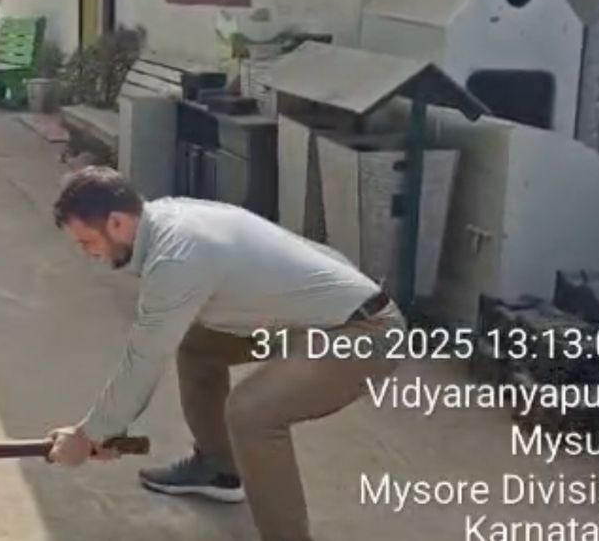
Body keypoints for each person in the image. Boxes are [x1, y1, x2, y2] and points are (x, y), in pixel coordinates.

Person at [43, 167, 404, 541]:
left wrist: (90, 434)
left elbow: (145, 357)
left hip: (363, 334)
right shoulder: (167, 216)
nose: (87, 254)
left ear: (116, 222)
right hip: (305, 322)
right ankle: (219, 467)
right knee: (198, 344)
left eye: (87, 242)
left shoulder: (176, 258)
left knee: (252, 414)